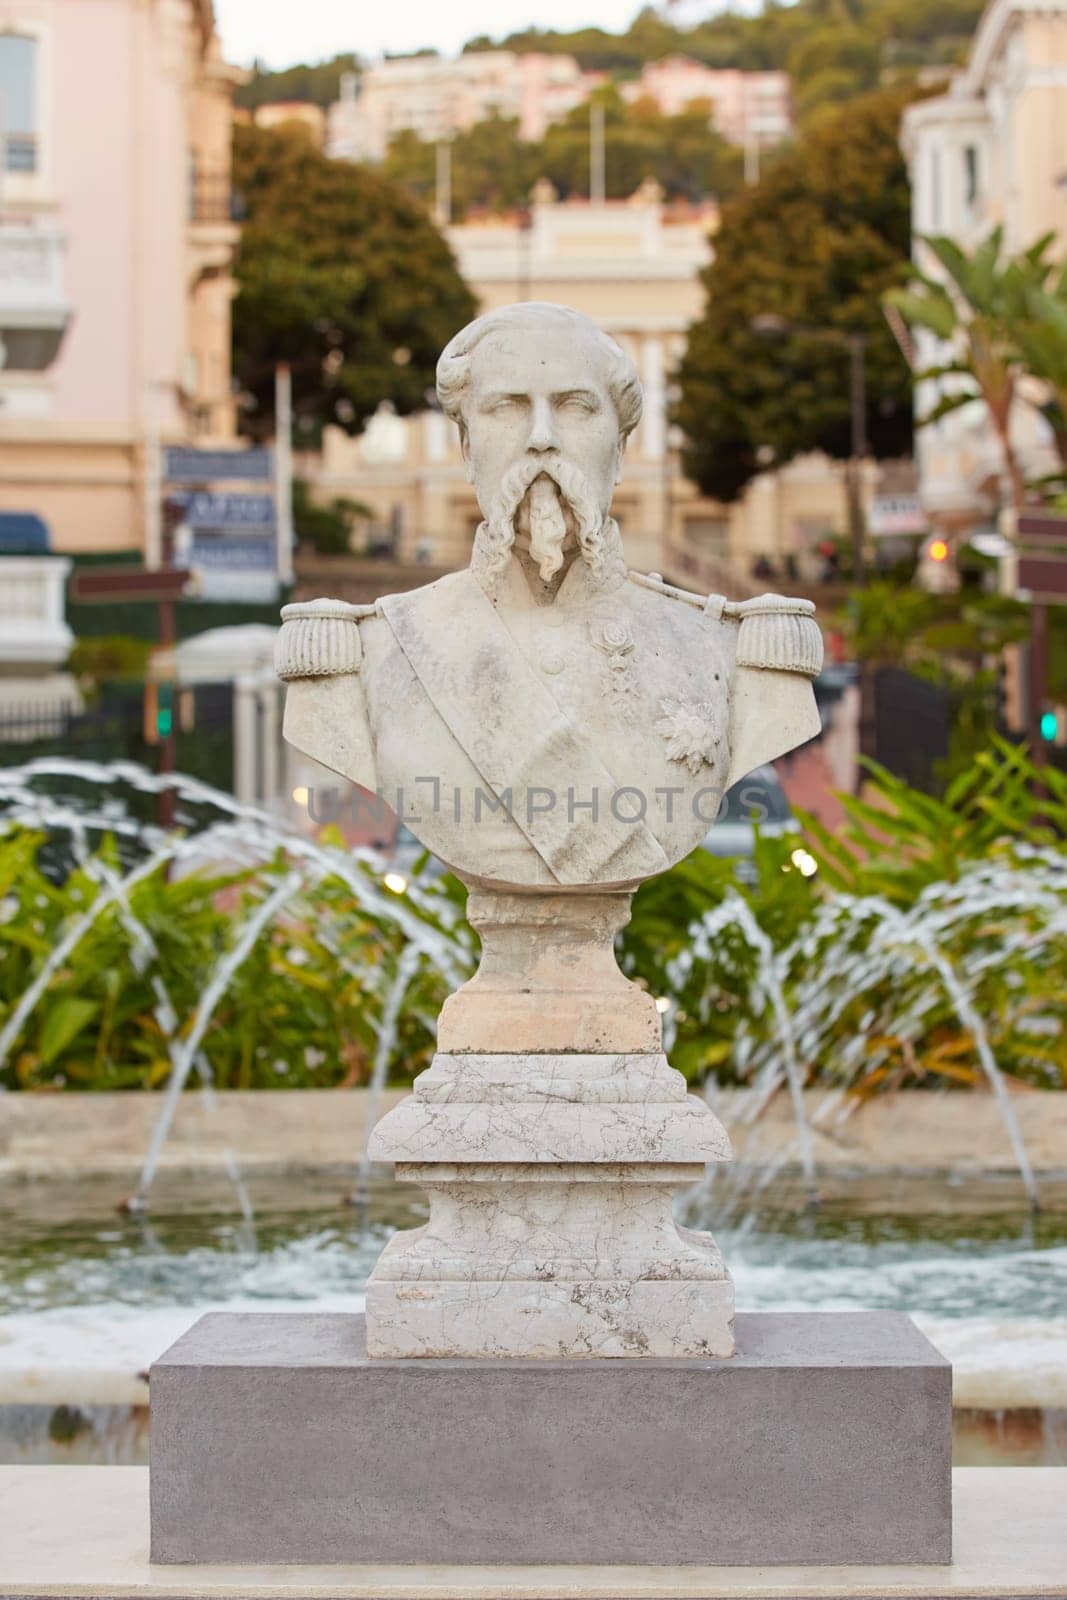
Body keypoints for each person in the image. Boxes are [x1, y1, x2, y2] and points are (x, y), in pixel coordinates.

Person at [276, 303, 823, 890]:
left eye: (575, 407)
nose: (541, 438)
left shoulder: (723, 650)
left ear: (620, 449)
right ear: (465, 446)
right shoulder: (372, 651)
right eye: (506, 408)